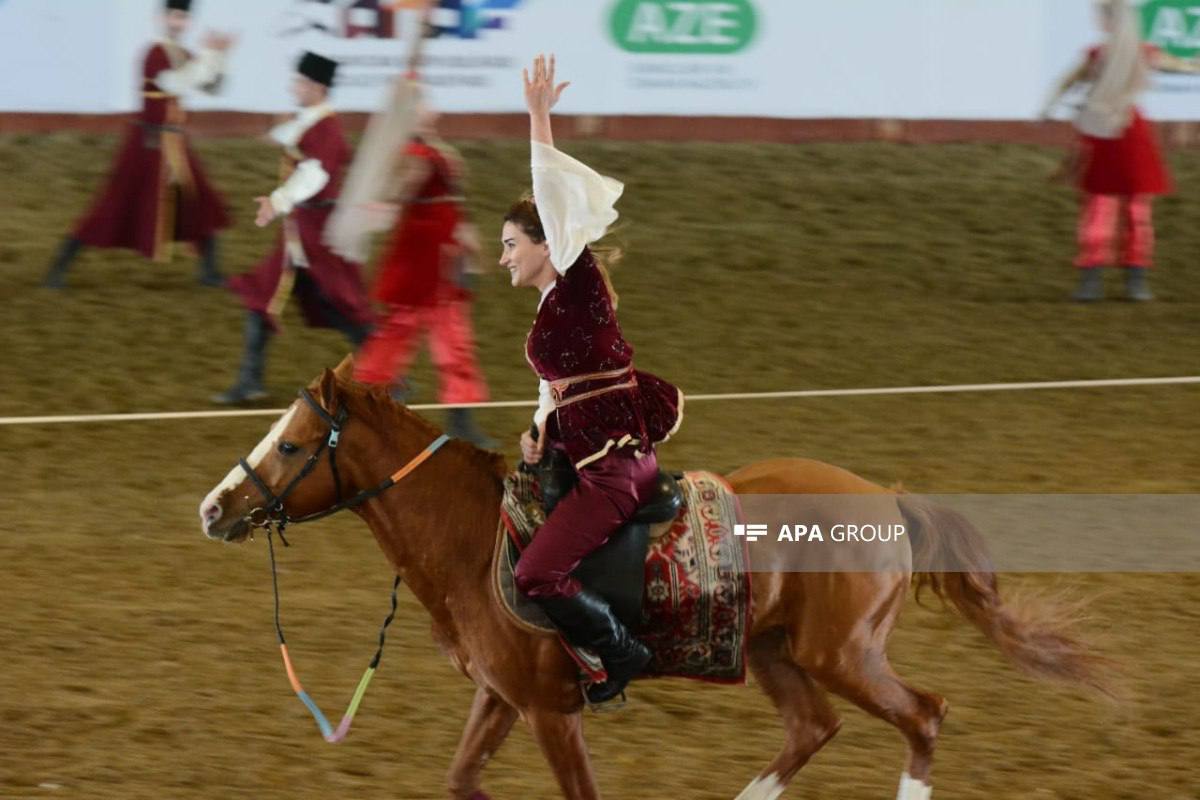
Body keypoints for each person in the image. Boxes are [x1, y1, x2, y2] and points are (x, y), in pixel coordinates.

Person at [504, 55, 683, 704]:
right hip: (584, 455)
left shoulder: (575, 279)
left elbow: (550, 195)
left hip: (614, 470)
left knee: (536, 572)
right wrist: (535, 433)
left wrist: (538, 117)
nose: (503, 258)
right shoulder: (554, 306)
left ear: (547, 244)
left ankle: (620, 650)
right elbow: (555, 387)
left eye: (511, 245)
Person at [212, 52, 373, 404]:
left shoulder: (326, 129)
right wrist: (278, 134)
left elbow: (315, 174)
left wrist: (278, 201)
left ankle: (390, 373)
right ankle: (250, 380)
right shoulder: (314, 122)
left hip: (316, 231)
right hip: (301, 233)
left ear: (317, 87)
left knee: (340, 303)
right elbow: (298, 138)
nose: (293, 87)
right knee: (263, 298)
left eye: (300, 83)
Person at [44, 0, 233, 289]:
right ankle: (58, 268)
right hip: (148, 144)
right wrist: (210, 56)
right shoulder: (154, 53)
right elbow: (175, 83)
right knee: (113, 206)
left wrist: (220, 58)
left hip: (174, 143)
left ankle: (208, 272)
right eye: (174, 16)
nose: (178, 22)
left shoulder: (182, 52)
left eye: (183, 17)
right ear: (162, 18)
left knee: (200, 201)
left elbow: (214, 87)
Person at [352, 101, 496, 448]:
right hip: (426, 254)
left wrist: (465, 237)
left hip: (438, 249)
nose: (428, 111)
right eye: (417, 109)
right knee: (428, 334)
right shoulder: (417, 152)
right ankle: (381, 399)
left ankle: (382, 401)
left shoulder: (426, 150)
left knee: (433, 335)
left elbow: (447, 198)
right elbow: (407, 184)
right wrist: (389, 200)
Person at [1042, 0, 1200, 302]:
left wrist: (1049, 106)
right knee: (1134, 207)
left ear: (1107, 19)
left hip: (1108, 130)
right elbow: (1184, 64)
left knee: (1103, 206)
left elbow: (1070, 81)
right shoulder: (1138, 52)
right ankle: (1131, 279)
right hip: (1126, 131)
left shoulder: (1103, 54)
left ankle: (1097, 277)